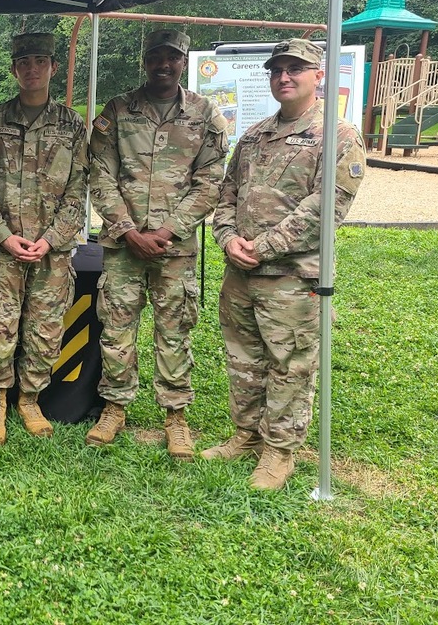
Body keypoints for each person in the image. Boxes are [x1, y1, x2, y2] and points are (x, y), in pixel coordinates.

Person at [204, 38, 365, 490]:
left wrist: (263, 247)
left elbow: (324, 209)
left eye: (295, 69)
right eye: (277, 70)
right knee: (244, 360)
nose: (284, 77)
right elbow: (226, 195)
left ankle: (279, 452)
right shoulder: (254, 136)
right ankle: (247, 436)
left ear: (319, 75)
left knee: (290, 365)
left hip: (293, 278)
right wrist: (228, 239)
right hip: (241, 273)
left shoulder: (338, 136)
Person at [86, 30, 228, 459]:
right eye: (155, 57)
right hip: (123, 246)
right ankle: (114, 408)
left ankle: (175, 417)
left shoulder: (204, 114)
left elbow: (210, 180)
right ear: (144, 61)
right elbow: (99, 173)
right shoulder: (118, 110)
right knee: (117, 328)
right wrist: (129, 231)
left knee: (174, 331)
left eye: (173, 57)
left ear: (183, 61)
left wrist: (166, 231)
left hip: (174, 248)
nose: (163, 65)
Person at [0, 33, 89, 445]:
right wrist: (4, 237)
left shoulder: (72, 125)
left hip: (52, 253)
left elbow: (78, 190)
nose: (32, 69)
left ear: (53, 67)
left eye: (40, 61)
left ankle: (30, 399)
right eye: (24, 62)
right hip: (2, 250)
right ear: (13, 70)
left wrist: (51, 239)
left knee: (45, 329)